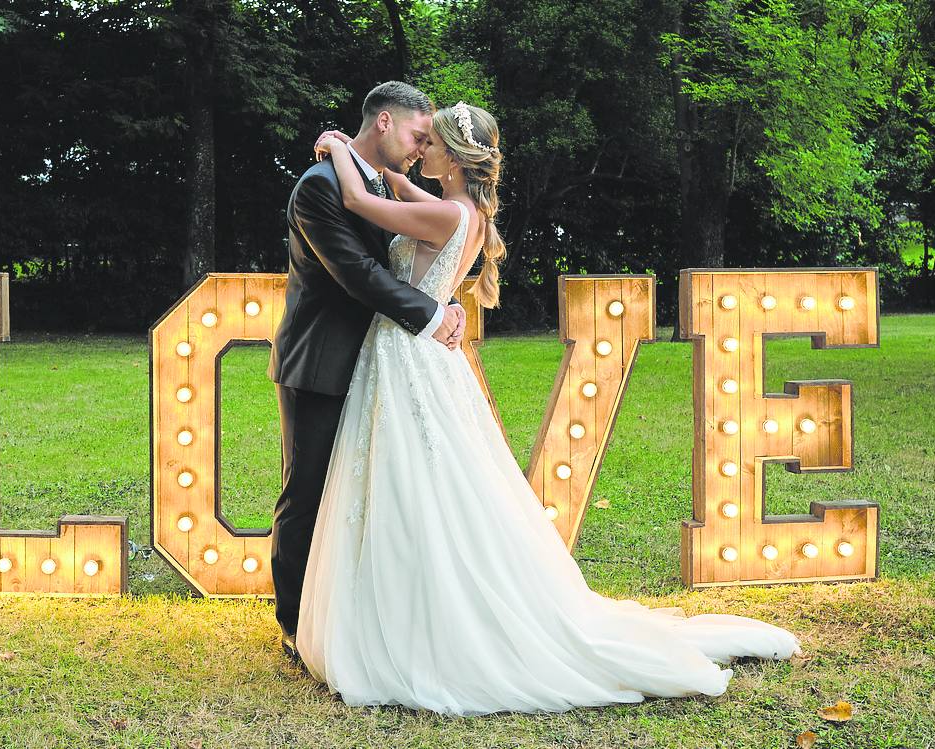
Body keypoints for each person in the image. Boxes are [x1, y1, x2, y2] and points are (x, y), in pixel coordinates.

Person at [294, 99, 802, 717]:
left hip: (409, 355)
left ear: (451, 156)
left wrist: (337, 146)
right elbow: (393, 190)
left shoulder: (444, 212)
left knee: (417, 484)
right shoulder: (461, 208)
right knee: (411, 482)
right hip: (413, 356)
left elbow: (362, 203)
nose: (418, 150)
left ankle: (417, 621)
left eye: (430, 143)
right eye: (417, 139)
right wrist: (370, 164)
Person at [269, 82, 467, 663]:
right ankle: (294, 624)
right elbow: (355, 271)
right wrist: (432, 314)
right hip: (323, 362)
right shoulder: (320, 186)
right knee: (307, 492)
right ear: (383, 122)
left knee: (368, 494)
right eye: (415, 136)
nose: (418, 149)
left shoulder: (375, 182)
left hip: (381, 365)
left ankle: (353, 618)